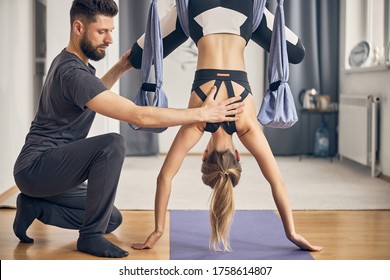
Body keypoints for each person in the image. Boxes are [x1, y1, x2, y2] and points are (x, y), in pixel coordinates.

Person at [12, 0, 244, 259]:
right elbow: (139, 116)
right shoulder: (72, 73)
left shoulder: (74, 66)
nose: (110, 39)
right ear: (78, 27)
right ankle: (89, 238)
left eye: (111, 31)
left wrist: (121, 67)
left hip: (52, 171)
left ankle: (34, 206)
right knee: (112, 144)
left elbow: (93, 93)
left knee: (110, 218)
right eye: (102, 32)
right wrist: (202, 113)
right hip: (37, 168)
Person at [129, 0, 323, 252]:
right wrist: (158, 229)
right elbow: (164, 177)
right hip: (199, 12)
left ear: (237, 154)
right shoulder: (196, 123)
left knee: (296, 52)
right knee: (137, 58)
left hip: (242, 9)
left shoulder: (246, 126)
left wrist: (292, 232)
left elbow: (277, 182)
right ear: (205, 155)